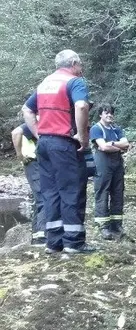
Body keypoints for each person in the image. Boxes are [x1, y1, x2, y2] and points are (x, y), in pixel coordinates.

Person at [22, 49, 94, 254]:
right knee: (71, 190)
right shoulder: (74, 82)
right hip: (63, 143)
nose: (81, 68)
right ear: (73, 63)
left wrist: (38, 133)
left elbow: (27, 110)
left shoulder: (45, 83)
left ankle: (53, 243)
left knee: (50, 193)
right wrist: (81, 135)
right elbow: (81, 106)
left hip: (44, 144)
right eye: (79, 64)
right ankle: (74, 243)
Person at [90, 104, 129, 240]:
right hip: (102, 164)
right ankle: (103, 226)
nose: (109, 115)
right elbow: (103, 147)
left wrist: (111, 144)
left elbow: (126, 144)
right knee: (102, 192)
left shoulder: (116, 129)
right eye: (106, 113)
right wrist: (118, 146)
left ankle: (116, 224)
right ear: (101, 114)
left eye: (111, 113)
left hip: (117, 164)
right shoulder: (96, 129)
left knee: (118, 192)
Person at [11, 119, 45, 246]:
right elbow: (15, 133)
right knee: (42, 196)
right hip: (32, 162)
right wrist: (19, 155)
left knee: (39, 199)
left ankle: (37, 235)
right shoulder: (33, 124)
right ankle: (41, 235)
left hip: (38, 164)